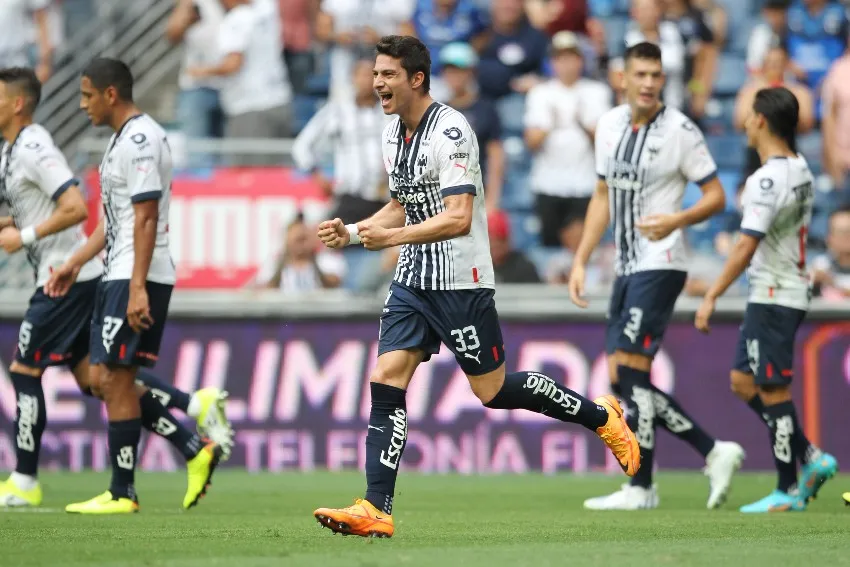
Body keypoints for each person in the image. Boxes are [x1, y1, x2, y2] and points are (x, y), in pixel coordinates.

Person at [312, 35, 640, 538]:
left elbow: (459, 217)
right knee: (386, 377)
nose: (377, 83)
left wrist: (389, 238)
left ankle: (601, 417)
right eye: (375, 74)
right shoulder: (391, 133)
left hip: (460, 281)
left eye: (387, 74)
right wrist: (355, 232)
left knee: (492, 390)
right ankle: (376, 506)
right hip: (413, 280)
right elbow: (404, 201)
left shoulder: (452, 130)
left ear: (415, 78)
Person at [0, 66, 232, 509]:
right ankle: (188, 444)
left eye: (88, 96)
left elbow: (144, 218)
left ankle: (115, 489)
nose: (82, 105)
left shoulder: (141, 140)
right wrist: (74, 262)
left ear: (111, 94)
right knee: (105, 379)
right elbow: (115, 221)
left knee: (104, 378)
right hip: (116, 271)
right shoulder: (120, 140)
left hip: (133, 273)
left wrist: (138, 286)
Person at [569, 41, 745, 511]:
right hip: (626, 264)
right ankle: (712, 451)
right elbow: (601, 195)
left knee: (628, 371)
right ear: (622, 78)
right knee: (622, 377)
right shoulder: (608, 125)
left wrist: (676, 220)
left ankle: (642, 487)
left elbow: (715, 196)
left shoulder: (681, 131)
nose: (648, 83)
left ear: (663, 79)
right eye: (640, 74)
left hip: (663, 260)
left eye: (656, 75)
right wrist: (583, 258)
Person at [695, 86, 838, 513]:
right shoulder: (801, 168)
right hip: (780, 289)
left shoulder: (767, 178)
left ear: (759, 120)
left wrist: (712, 295)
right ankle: (811, 457)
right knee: (743, 382)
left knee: (773, 389)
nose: (742, 122)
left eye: (748, 115)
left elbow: (745, 245)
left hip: (774, 294)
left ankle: (787, 488)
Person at [292, 59, 389, 225]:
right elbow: (302, 145)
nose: (366, 80)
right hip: (350, 196)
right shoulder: (338, 110)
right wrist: (316, 173)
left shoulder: (390, 112)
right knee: (341, 243)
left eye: (371, 75)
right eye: (361, 75)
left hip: (385, 199)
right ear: (353, 78)